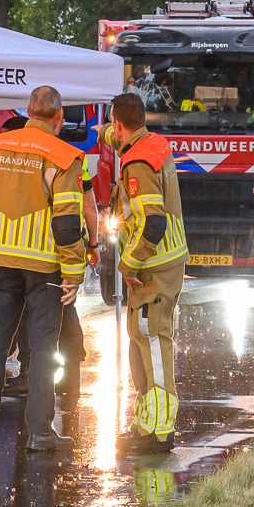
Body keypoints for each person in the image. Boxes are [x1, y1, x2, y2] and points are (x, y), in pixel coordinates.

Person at [0, 86, 86, 453]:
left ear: (29, 110)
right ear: (58, 117)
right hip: (44, 266)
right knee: (43, 347)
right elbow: (66, 222)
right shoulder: (64, 156)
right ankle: (40, 433)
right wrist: (73, 272)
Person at [102, 92, 189, 447]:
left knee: (152, 342)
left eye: (113, 125)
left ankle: (158, 431)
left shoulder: (137, 163)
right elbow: (115, 134)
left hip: (150, 266)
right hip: (164, 263)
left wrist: (128, 263)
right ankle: (145, 423)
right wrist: (109, 131)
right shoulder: (155, 142)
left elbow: (153, 222)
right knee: (143, 340)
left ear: (120, 124)